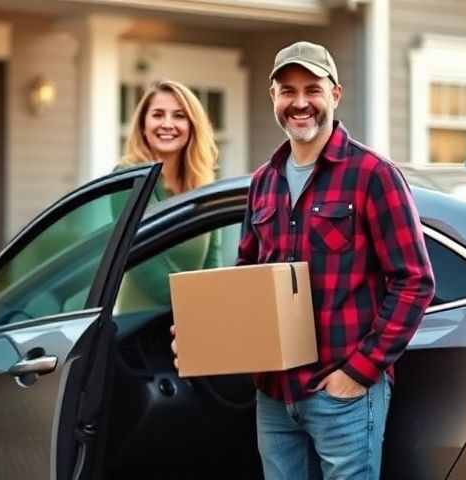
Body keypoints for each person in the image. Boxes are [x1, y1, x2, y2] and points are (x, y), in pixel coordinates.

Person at [173, 41, 435, 479]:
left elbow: (414, 282)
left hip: (344, 393)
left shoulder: (373, 175)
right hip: (275, 395)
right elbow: (248, 279)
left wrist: (358, 372)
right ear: (272, 97)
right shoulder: (264, 182)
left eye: (312, 89)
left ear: (335, 94)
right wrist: (207, 331)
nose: (300, 103)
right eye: (287, 90)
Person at [114, 80, 221, 312]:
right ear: (143, 124)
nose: (167, 124)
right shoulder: (129, 177)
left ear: (192, 126)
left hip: (193, 320)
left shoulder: (204, 183)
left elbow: (213, 260)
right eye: (158, 115)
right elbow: (142, 256)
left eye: (179, 116)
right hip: (141, 327)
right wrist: (196, 305)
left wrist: (213, 304)